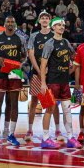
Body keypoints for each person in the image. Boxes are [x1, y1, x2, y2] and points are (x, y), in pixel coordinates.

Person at [0, 16, 27, 146]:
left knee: (13, 103)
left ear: (15, 24)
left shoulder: (20, 38)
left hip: (14, 73)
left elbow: (25, 56)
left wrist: (21, 64)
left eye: (12, 22)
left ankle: (10, 133)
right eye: (8, 22)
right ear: (4, 24)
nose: (10, 24)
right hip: (0, 73)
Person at [38, 17, 77, 148]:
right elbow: (43, 65)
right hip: (52, 82)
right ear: (53, 27)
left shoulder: (66, 42)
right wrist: (43, 83)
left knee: (67, 110)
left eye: (62, 25)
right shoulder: (49, 43)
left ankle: (71, 137)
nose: (61, 27)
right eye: (58, 25)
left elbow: (74, 59)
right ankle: (45, 138)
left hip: (65, 82)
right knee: (49, 109)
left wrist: (69, 72)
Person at [25, 11, 57, 142]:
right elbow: (31, 54)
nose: (44, 20)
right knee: (33, 101)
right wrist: (40, 71)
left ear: (49, 20)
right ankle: (30, 129)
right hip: (37, 73)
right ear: (39, 21)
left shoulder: (54, 35)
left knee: (53, 102)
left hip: (52, 74)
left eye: (46, 18)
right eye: (42, 17)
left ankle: (58, 129)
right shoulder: (33, 36)